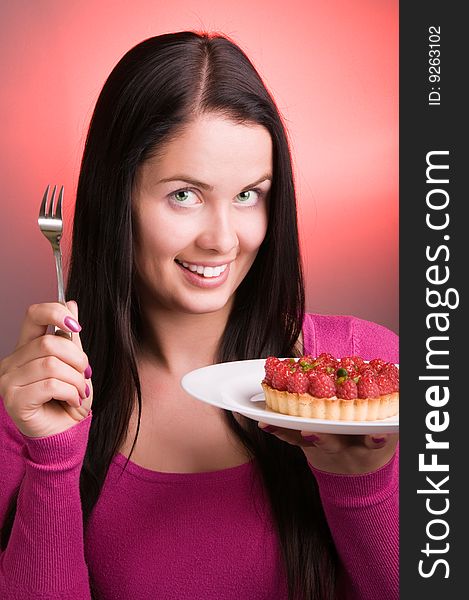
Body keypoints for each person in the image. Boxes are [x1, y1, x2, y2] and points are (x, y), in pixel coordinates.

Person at [0, 31, 398, 600]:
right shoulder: (27, 405)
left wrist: (362, 487)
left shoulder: (365, 380)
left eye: (248, 195)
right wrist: (53, 461)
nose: (223, 240)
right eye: (185, 195)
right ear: (117, 198)